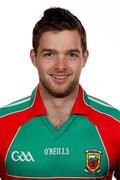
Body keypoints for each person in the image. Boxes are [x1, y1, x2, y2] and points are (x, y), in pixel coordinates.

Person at [0, 7, 120, 180]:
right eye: (49, 54)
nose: (60, 66)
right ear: (34, 58)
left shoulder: (115, 125)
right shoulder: (2, 124)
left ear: (84, 58)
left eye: (71, 55)